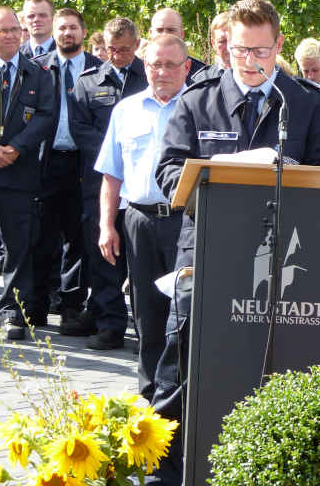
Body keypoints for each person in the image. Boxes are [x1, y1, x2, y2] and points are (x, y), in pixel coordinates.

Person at [150, 0, 320, 486]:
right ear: (226, 48)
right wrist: (218, 181)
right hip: (209, 254)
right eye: (241, 52)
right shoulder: (198, 100)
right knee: (181, 369)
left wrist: (297, 177)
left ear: (278, 45)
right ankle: (163, 473)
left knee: (284, 365)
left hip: (287, 259)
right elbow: (168, 171)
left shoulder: (306, 104)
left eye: (261, 52)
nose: (252, 63)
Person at [94, 34, 188, 401]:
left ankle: (183, 399)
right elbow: (111, 175)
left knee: (184, 317)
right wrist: (106, 225)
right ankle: (150, 401)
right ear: (143, 66)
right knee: (147, 318)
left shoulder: (197, 108)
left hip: (187, 222)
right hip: (139, 222)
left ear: (186, 67)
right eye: (153, 65)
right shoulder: (126, 110)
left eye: (169, 65)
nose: (161, 72)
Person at [68, 17, 149, 348]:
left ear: (136, 45)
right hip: (100, 184)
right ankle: (110, 324)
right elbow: (80, 130)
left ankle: (147, 329)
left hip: (141, 183)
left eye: (124, 50)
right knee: (104, 258)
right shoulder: (89, 82)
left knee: (142, 260)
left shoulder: (148, 77)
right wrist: (116, 153)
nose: (116, 56)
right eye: (112, 49)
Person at [34, 9, 101, 334]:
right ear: (55, 32)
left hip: (82, 163)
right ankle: (36, 305)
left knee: (79, 239)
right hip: (46, 161)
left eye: (73, 28)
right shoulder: (37, 68)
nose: (67, 33)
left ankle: (71, 306)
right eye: (62, 28)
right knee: (41, 234)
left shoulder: (98, 70)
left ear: (84, 32)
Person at [0, 6, 55, 340]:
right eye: (2, 30)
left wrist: (15, 147)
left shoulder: (38, 74)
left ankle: (12, 314)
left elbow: (47, 116)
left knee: (18, 247)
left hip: (19, 172)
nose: (10, 36)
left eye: (14, 30)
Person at [148, 8, 205, 83]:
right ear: (151, 33)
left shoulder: (201, 75)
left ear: (182, 34)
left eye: (171, 30)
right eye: (159, 30)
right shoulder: (134, 72)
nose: (165, 35)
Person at [191, 12, 231, 83]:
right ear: (213, 43)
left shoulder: (255, 76)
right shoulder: (201, 81)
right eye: (222, 41)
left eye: (232, 39)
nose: (229, 46)